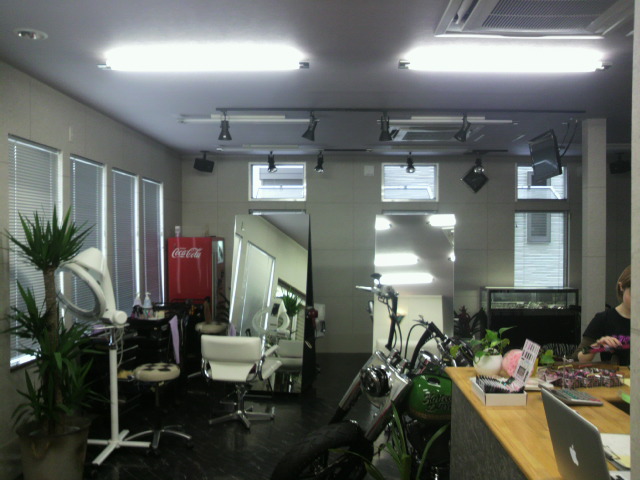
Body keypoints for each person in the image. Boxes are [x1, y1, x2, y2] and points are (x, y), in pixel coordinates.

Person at [574, 265, 631, 365]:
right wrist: (597, 346)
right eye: (634, 294)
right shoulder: (604, 319)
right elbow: (579, 357)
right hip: (617, 374)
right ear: (621, 287)